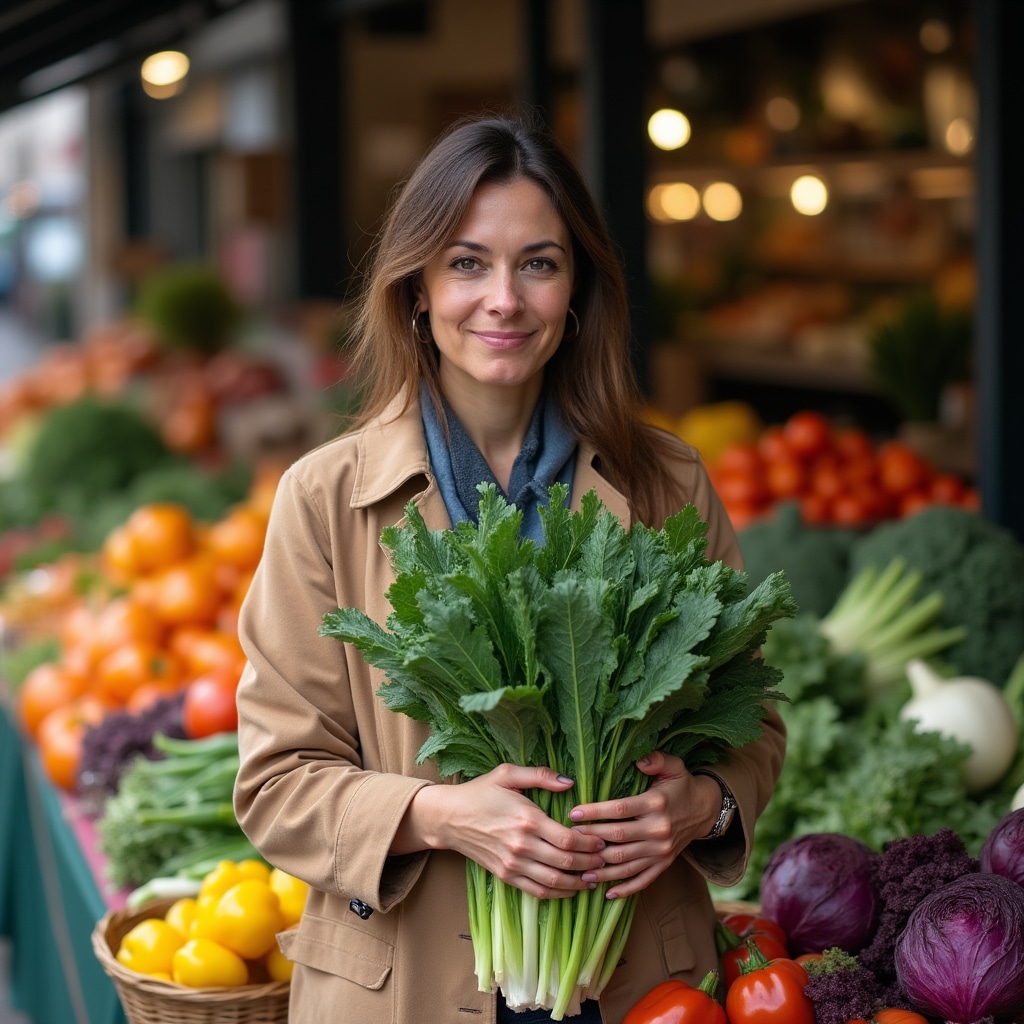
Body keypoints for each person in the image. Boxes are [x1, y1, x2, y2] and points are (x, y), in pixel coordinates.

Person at [232, 111, 785, 1024]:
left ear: (576, 292)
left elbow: (753, 721)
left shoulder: (670, 480)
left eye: (538, 262)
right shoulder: (322, 498)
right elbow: (276, 783)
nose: (504, 299)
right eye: (466, 263)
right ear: (416, 289)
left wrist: (704, 806)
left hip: (639, 974)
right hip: (405, 985)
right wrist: (438, 816)